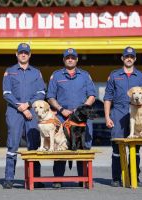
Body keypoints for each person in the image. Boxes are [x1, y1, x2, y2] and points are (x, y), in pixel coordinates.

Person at [104, 46, 142, 187]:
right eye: (127, 56)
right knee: (116, 148)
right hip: (118, 114)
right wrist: (107, 117)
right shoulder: (114, 75)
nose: (129, 59)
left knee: (135, 149)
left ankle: (134, 177)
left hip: (138, 114)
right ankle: (116, 178)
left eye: (131, 57)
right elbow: (108, 98)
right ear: (122, 58)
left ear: (135, 59)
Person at [47, 48, 96, 188]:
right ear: (64, 60)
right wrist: (62, 109)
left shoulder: (85, 75)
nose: (70, 59)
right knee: (61, 148)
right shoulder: (56, 76)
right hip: (63, 118)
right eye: (67, 57)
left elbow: (92, 96)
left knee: (83, 147)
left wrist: (80, 110)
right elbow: (50, 97)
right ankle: (58, 179)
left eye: (73, 57)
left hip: (81, 119)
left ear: (77, 59)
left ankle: (83, 179)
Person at [2, 43, 46, 189]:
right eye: (21, 52)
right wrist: (20, 106)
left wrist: (28, 104)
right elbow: (6, 93)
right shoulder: (10, 71)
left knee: (33, 146)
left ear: (29, 55)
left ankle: (36, 179)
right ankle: (9, 178)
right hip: (14, 112)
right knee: (12, 145)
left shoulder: (36, 72)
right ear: (16, 54)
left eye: (26, 53)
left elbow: (41, 92)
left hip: (32, 112)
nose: (23, 55)